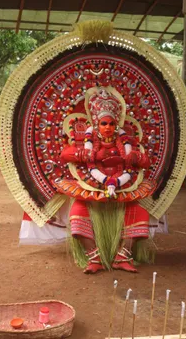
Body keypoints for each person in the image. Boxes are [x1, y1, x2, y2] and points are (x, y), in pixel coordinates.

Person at [56, 86, 155, 274]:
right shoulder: (86, 139)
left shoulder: (127, 141)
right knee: (77, 214)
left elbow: (146, 161)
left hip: (123, 186)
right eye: (104, 124)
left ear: (116, 123)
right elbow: (65, 154)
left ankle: (122, 256)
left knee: (140, 213)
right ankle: (95, 258)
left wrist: (134, 158)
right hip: (91, 185)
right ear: (97, 124)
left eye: (111, 123)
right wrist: (91, 155)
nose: (108, 127)